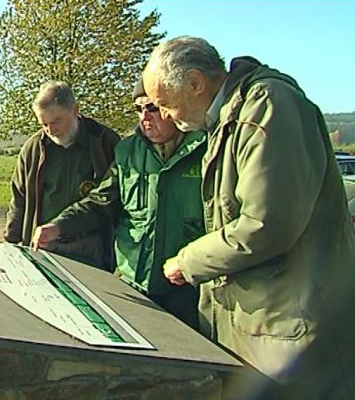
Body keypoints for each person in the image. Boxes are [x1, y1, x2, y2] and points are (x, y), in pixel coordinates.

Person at [142, 36, 355, 397]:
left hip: (292, 337)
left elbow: (265, 225)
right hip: (265, 330)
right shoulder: (231, 119)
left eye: (165, 104)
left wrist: (188, 261)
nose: (164, 116)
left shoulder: (269, 106)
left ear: (195, 83)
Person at [31, 80, 206, 329]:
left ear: (172, 107)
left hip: (186, 285)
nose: (145, 117)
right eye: (138, 109)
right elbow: (102, 201)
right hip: (133, 280)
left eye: (153, 108)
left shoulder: (206, 150)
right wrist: (59, 226)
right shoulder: (127, 152)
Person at [4, 81, 121, 270]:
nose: (51, 130)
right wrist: (11, 244)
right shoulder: (33, 149)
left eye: (56, 121)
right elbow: (19, 200)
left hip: (91, 251)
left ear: (75, 110)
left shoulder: (105, 143)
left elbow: (110, 200)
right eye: (44, 124)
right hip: (43, 247)